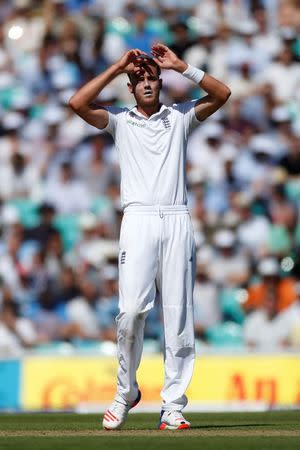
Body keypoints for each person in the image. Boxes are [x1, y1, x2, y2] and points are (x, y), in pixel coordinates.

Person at [69, 43, 230, 430]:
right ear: (129, 87)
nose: (145, 83)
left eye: (150, 77)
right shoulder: (120, 120)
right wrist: (117, 66)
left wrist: (181, 66)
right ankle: (126, 392)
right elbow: (77, 103)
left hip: (176, 218)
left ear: (161, 81)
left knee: (178, 316)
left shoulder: (180, 116)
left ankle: (172, 405)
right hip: (138, 220)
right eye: (138, 79)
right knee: (130, 313)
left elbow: (222, 93)